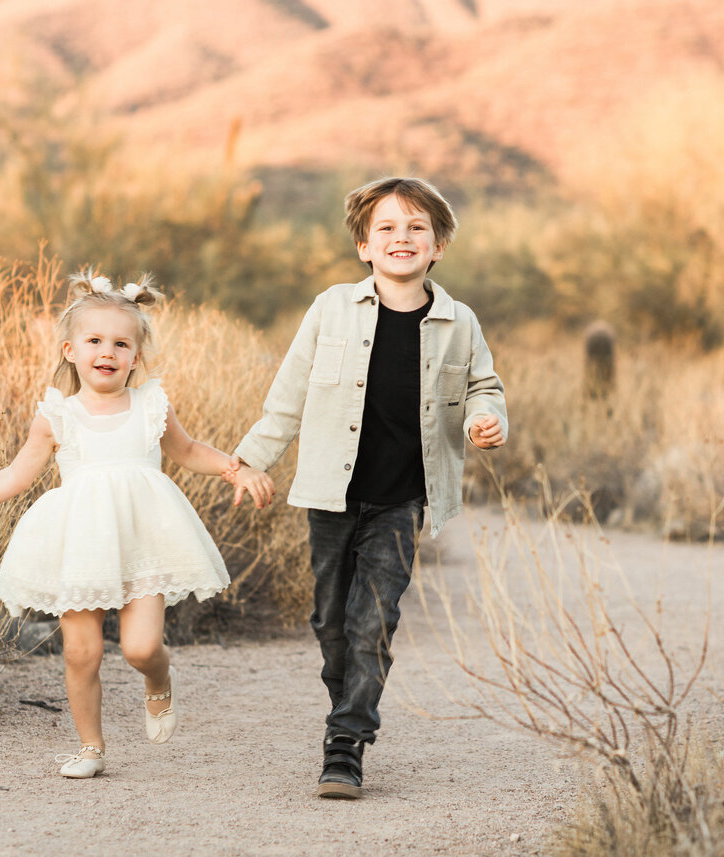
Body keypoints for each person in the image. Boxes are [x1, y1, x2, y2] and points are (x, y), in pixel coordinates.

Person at [0, 272, 272, 779]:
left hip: (145, 537)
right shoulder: (58, 415)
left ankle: (158, 681)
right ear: (70, 351)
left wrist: (238, 466)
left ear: (136, 357)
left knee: (141, 647)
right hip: (79, 542)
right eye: (95, 341)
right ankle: (91, 748)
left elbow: (188, 453)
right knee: (82, 653)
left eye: (121, 343)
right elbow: (16, 474)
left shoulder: (151, 405)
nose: (108, 351)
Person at [226, 177, 507, 799]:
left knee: (373, 621)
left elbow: (485, 387)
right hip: (330, 494)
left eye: (416, 229)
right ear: (363, 245)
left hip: (401, 500)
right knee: (332, 623)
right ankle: (346, 707)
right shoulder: (330, 308)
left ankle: (346, 742)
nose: (401, 238)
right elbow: (289, 395)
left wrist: (488, 420)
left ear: (438, 247)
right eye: (386, 228)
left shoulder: (459, 322)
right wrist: (249, 460)